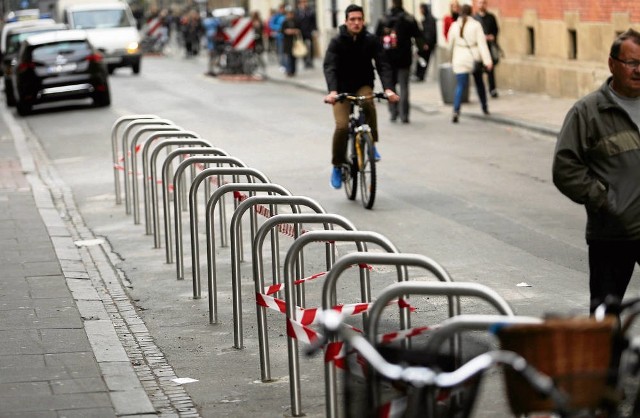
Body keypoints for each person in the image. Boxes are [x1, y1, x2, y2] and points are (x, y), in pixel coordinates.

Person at [552, 28, 640, 314]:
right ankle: (606, 361)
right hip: (613, 232)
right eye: (632, 63)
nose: (639, 70)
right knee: (605, 317)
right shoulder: (588, 112)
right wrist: (605, 200)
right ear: (612, 63)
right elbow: (565, 167)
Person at [323, 4, 399, 189]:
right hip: (341, 90)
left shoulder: (370, 40)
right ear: (346, 21)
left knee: (368, 104)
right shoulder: (337, 42)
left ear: (363, 21)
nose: (356, 23)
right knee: (341, 127)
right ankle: (337, 165)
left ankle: (371, 144)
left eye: (359, 19)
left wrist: (388, 89)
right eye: (352, 20)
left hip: (363, 85)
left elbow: (383, 64)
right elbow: (330, 67)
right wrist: (332, 91)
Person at [374, 0, 423, 124]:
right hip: (404, 58)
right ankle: (404, 115)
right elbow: (418, 35)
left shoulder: (384, 18)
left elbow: (376, 38)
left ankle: (393, 112)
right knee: (404, 87)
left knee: (390, 87)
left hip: (388, 58)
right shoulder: (409, 19)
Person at [447, 4, 493, 123]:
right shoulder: (476, 25)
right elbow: (482, 45)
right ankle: (484, 107)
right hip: (473, 58)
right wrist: (487, 61)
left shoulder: (454, 26)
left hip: (459, 58)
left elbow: (449, 45)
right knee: (479, 84)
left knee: (460, 85)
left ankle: (456, 110)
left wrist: (450, 59)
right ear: (471, 12)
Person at [474, 0, 500, 98]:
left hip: (489, 46)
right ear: (477, 4)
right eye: (480, 3)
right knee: (478, 70)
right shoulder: (474, 18)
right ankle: (480, 90)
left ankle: (492, 89)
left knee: (490, 69)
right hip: (478, 48)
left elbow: (496, 30)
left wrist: (492, 36)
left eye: (483, 3)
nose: (482, 5)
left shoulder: (491, 17)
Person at [415, 3, 437, 82]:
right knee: (422, 59)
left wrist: (427, 43)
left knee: (424, 60)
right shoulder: (426, 19)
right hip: (424, 43)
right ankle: (419, 75)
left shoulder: (429, 19)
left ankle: (420, 75)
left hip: (427, 44)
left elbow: (429, 33)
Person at [295, 0, 317, 69]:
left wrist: (315, 30)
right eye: (302, 3)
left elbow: (314, 22)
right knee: (303, 47)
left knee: (311, 47)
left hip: (309, 32)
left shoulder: (310, 12)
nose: (304, 4)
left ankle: (311, 61)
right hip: (302, 32)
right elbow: (296, 22)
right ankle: (305, 62)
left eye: (305, 2)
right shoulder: (298, 13)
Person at [280, 7, 300, 77]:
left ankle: (293, 70)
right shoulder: (285, 22)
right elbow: (282, 31)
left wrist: (295, 31)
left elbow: (299, 29)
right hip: (287, 42)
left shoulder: (296, 21)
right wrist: (287, 31)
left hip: (294, 42)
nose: (290, 15)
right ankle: (288, 70)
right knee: (288, 57)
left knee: (294, 57)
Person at [203, 11, 220, 76]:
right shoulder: (215, 21)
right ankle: (212, 69)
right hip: (216, 39)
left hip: (209, 41)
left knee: (211, 56)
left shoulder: (205, 21)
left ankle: (211, 70)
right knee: (214, 55)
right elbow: (219, 24)